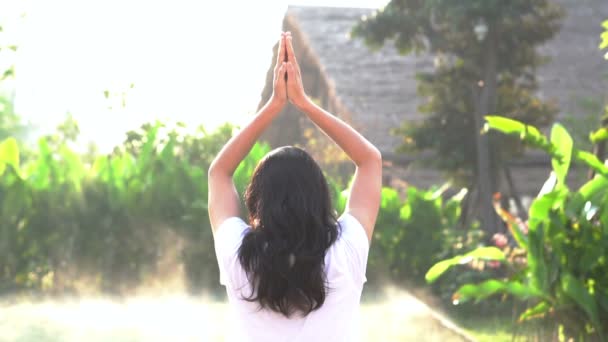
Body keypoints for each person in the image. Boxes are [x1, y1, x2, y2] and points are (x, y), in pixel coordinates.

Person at [208, 31, 382, 341]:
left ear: (257, 198)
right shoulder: (346, 250)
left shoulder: (238, 255)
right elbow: (369, 160)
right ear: (319, 196)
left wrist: (274, 106)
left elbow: (219, 173)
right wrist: (304, 103)